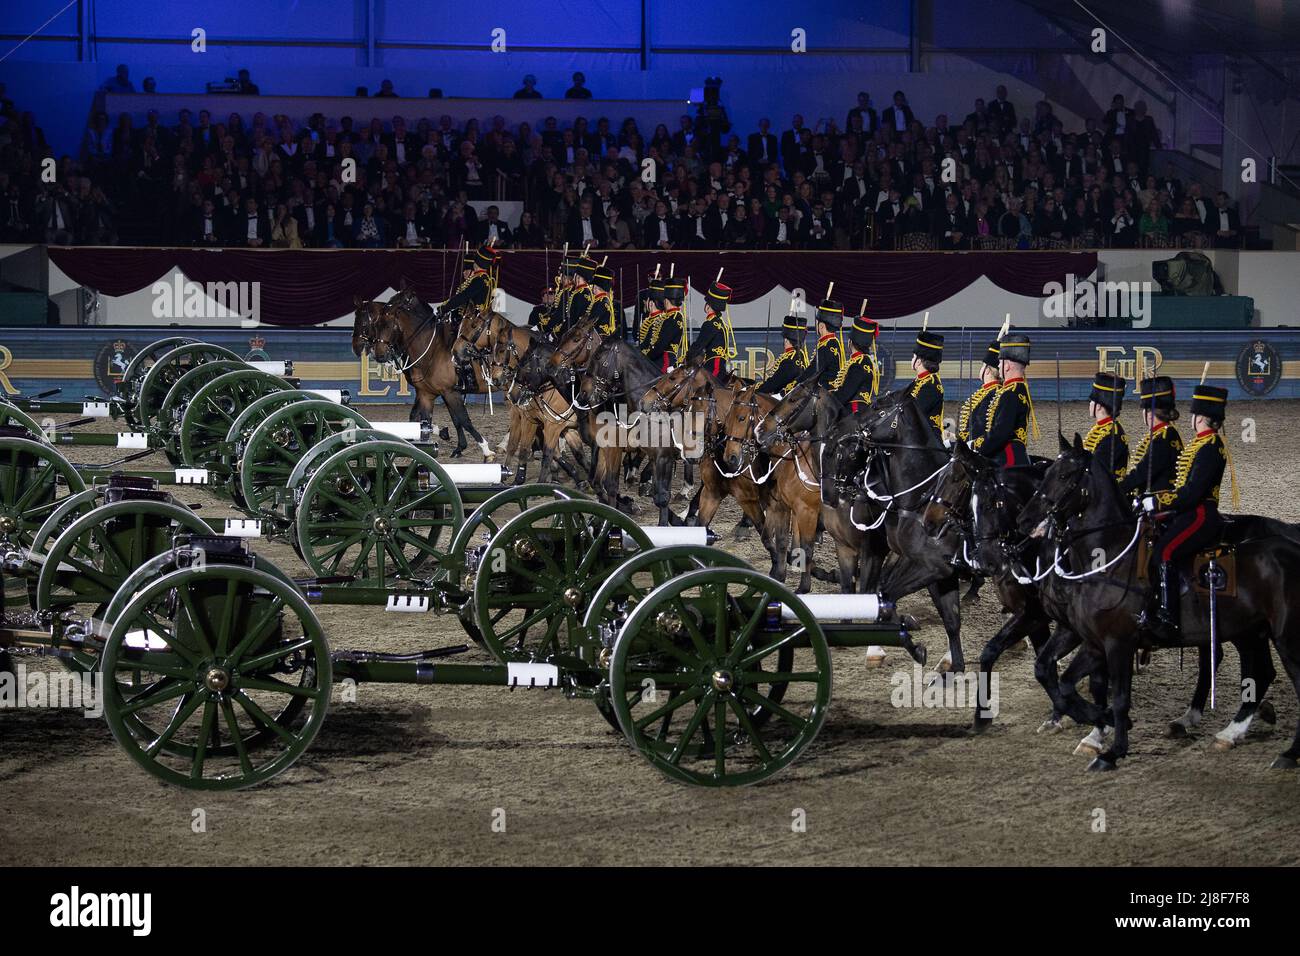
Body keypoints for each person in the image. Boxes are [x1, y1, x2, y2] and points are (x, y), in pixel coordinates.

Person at [1140, 385, 1237, 638]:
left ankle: (1168, 615)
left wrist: (1159, 502)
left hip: (1200, 513)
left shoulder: (1211, 446)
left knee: (1165, 551)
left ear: (1201, 417)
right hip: (1187, 511)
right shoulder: (1200, 443)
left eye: (1194, 414)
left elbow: (1193, 492)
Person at [975, 334, 1037, 467]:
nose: (998, 365)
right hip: (1013, 454)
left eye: (1000, 362)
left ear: (1007, 366)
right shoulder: (1018, 388)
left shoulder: (1010, 393)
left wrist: (976, 446)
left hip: (1007, 458)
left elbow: (1000, 433)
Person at [1120, 376, 1183, 497]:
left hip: (1157, 500)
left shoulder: (1163, 437)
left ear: (1149, 413)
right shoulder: (1166, 433)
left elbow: (1143, 472)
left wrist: (1117, 488)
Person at [830, 312, 880, 414]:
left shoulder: (860, 363)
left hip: (852, 412)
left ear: (850, 342)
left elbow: (846, 393)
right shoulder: (859, 361)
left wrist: (827, 401)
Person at [1083, 372, 1128, 479]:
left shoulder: (1112, 434)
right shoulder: (1102, 428)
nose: (1090, 404)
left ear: (1098, 406)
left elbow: (1094, 467)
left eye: (1091, 401)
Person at [687, 281, 736, 378]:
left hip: (713, 367)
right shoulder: (721, 323)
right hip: (718, 365)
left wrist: (686, 360)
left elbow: (698, 346)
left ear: (708, 305)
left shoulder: (710, 324)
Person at [957, 340, 1001, 446]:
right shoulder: (987, 391)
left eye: (983, 366)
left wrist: (956, 440)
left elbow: (979, 427)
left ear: (987, 370)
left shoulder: (992, 393)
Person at [757, 312, 810, 396]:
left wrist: (754, 390)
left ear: (786, 340)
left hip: (786, 398)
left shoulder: (790, 360)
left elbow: (774, 383)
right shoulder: (800, 355)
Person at [797, 299, 846, 390]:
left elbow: (812, 371)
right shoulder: (832, 342)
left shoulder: (826, 346)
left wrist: (795, 384)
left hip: (824, 391)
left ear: (821, 326)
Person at [907, 329, 945, 442]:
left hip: (927, 444)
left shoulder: (931, 385)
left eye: (913, 357)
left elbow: (912, 413)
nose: (912, 359)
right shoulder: (919, 381)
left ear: (918, 361)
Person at [648, 277, 686, 372]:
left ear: (666, 300)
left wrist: (646, 357)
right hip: (664, 359)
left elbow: (661, 345)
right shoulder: (674, 316)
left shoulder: (672, 318)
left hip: (664, 362)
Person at [585, 266, 618, 337]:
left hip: (599, 336)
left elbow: (591, 321)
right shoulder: (603, 299)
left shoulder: (600, 302)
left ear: (596, 287)